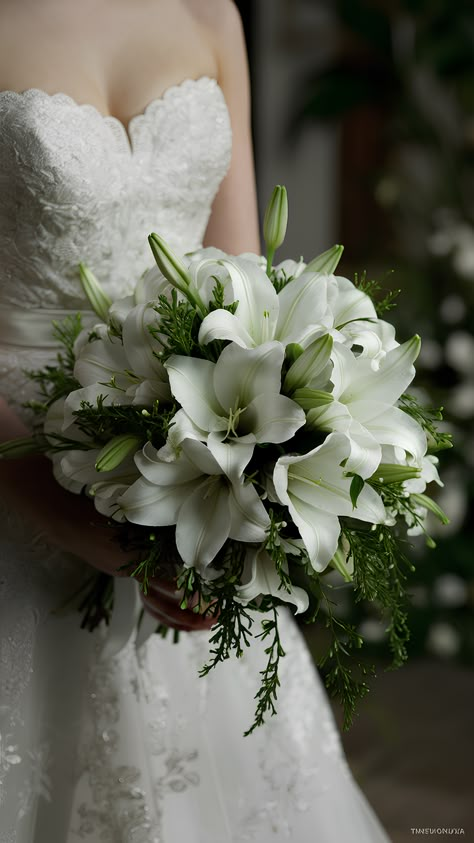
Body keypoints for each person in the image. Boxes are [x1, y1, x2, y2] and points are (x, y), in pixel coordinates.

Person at [0, 0, 391, 839]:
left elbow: (243, 283)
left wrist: (256, 498)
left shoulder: (209, 13)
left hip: (195, 473)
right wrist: (82, 523)